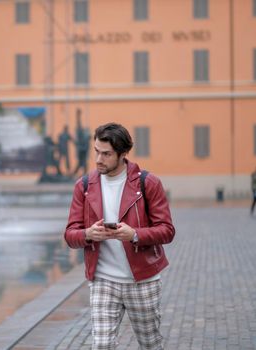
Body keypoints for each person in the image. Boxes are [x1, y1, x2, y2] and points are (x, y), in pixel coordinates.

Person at [64, 123, 175, 350]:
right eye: (96, 151)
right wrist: (88, 234)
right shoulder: (84, 186)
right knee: (102, 346)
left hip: (142, 280)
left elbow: (167, 230)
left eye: (106, 154)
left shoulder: (148, 183)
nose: (98, 159)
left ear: (123, 154)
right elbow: (69, 234)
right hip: (103, 280)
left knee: (150, 344)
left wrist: (134, 234)